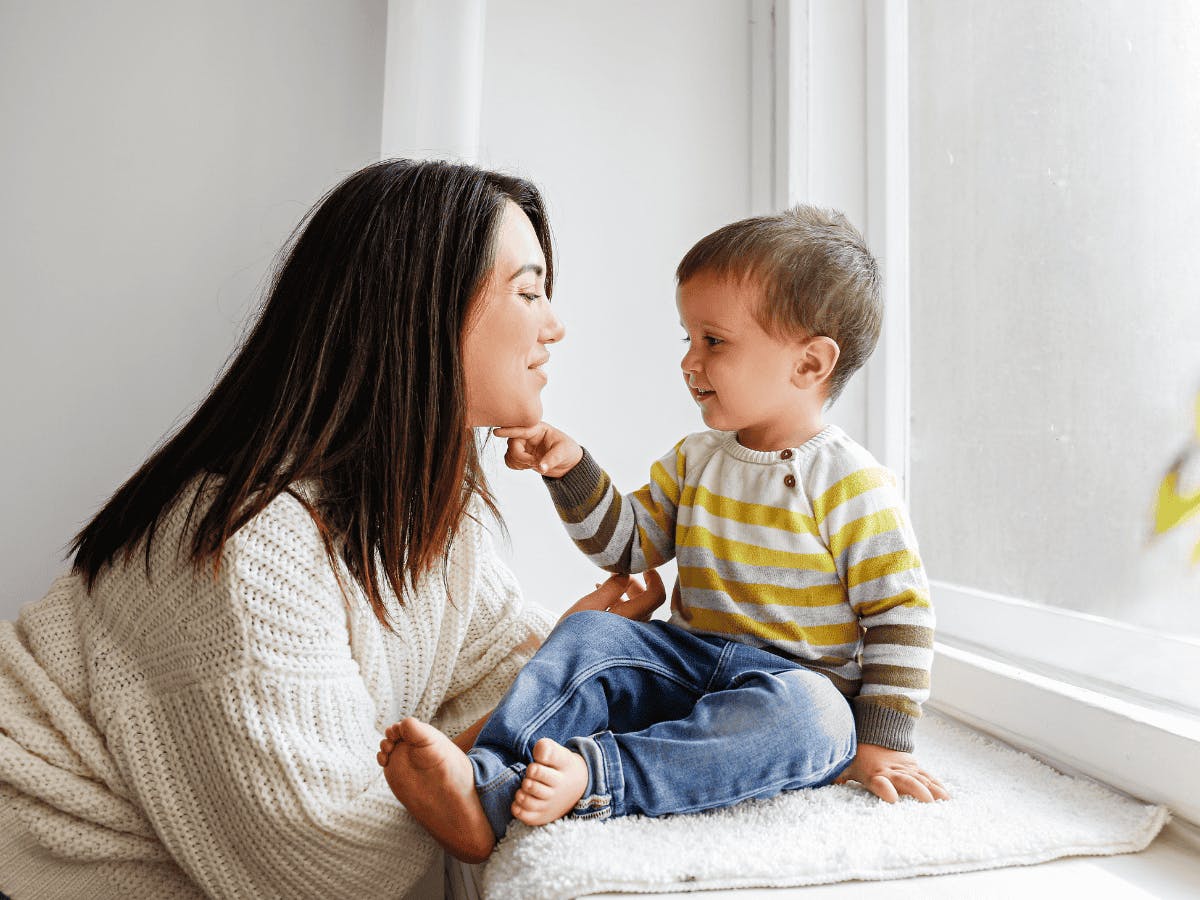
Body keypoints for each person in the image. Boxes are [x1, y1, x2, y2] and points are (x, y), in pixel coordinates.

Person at [0, 158, 662, 899]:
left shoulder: (428, 515)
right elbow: (338, 866)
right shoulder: (248, 547)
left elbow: (493, 676)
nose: (555, 324)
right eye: (529, 291)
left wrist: (570, 654)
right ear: (420, 310)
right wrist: (503, 722)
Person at [377, 205, 949, 861]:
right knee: (592, 635)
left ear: (810, 364)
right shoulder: (696, 459)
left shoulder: (853, 485)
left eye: (714, 341)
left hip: (789, 686)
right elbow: (629, 546)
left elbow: (901, 615)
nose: (689, 361)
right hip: (687, 663)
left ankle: (597, 776)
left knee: (816, 718)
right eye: (688, 338)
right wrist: (571, 470)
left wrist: (880, 743)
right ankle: (482, 783)